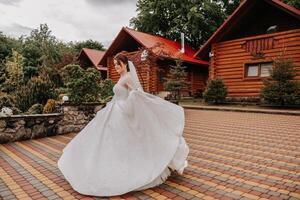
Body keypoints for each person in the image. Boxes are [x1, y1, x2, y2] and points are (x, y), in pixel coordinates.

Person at [57, 51, 189, 197]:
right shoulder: (121, 78)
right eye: (114, 65)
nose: (115, 67)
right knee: (106, 141)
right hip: (114, 111)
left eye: (117, 64)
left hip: (122, 113)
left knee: (121, 143)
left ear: (124, 64)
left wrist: (129, 102)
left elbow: (138, 94)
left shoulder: (127, 78)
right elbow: (118, 95)